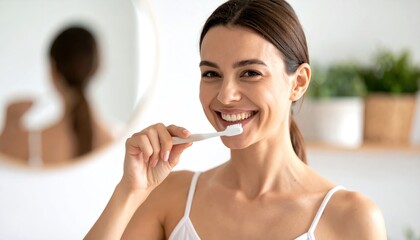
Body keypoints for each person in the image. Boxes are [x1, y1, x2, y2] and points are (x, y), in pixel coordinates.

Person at [85, 0, 387, 239]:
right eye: (211, 74)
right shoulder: (172, 196)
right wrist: (131, 190)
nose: (226, 95)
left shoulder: (352, 218)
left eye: (250, 72)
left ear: (298, 82)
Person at [0, 26, 114, 166]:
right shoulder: (118, 142)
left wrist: (8, 129)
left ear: (53, 70)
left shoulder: (29, 144)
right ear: (96, 67)